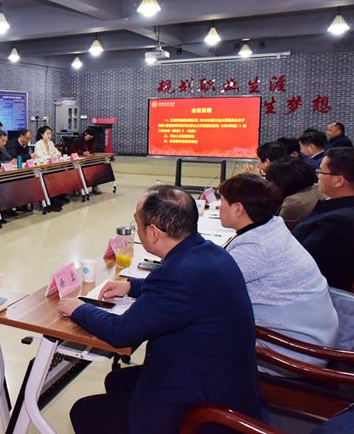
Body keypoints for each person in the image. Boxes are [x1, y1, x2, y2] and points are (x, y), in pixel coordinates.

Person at [58, 186, 263, 434]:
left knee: (84, 411)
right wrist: (131, 286)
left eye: (137, 224)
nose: (136, 229)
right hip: (221, 376)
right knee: (118, 380)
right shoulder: (208, 252)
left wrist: (79, 309)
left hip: (204, 404)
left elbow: (121, 332)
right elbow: (180, 292)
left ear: (154, 232)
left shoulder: (178, 274)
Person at [218, 174, 338, 365]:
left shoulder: (255, 249)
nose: (219, 207)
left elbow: (206, 288)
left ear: (238, 208)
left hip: (293, 351)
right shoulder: (271, 228)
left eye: (222, 201)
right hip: (312, 335)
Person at [294, 147, 354, 290]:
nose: (318, 176)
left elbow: (304, 263)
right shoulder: (338, 207)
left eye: (321, 171)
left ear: (339, 180)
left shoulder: (338, 222)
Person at [265, 156, 323, 230]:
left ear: (282, 182)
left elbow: (274, 232)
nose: (269, 185)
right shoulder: (317, 187)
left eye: (270, 181)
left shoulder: (293, 202)